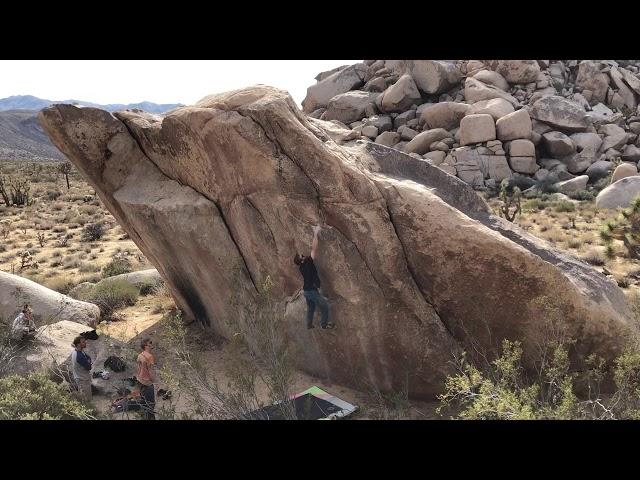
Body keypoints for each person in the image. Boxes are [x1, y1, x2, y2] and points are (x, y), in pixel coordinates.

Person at [293, 225, 334, 330]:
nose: (302, 255)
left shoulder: (302, 266)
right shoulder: (306, 263)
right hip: (311, 291)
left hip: (306, 291)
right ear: (302, 260)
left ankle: (309, 325)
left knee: (311, 308)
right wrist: (315, 233)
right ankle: (324, 325)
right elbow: (314, 249)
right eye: (301, 256)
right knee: (325, 306)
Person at [136, 338, 157, 420]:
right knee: (151, 404)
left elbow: (137, 368)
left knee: (144, 403)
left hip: (140, 381)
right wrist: (154, 381)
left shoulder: (140, 355)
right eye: (150, 343)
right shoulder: (150, 356)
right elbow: (151, 371)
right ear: (146, 346)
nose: (151, 344)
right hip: (147, 383)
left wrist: (139, 376)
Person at [71, 336, 93, 401]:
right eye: (83, 342)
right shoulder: (79, 356)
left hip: (81, 378)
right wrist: (88, 362)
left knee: (85, 398)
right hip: (82, 380)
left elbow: (88, 357)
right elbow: (89, 367)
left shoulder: (78, 351)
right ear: (78, 344)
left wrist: (88, 361)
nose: (85, 342)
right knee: (87, 400)